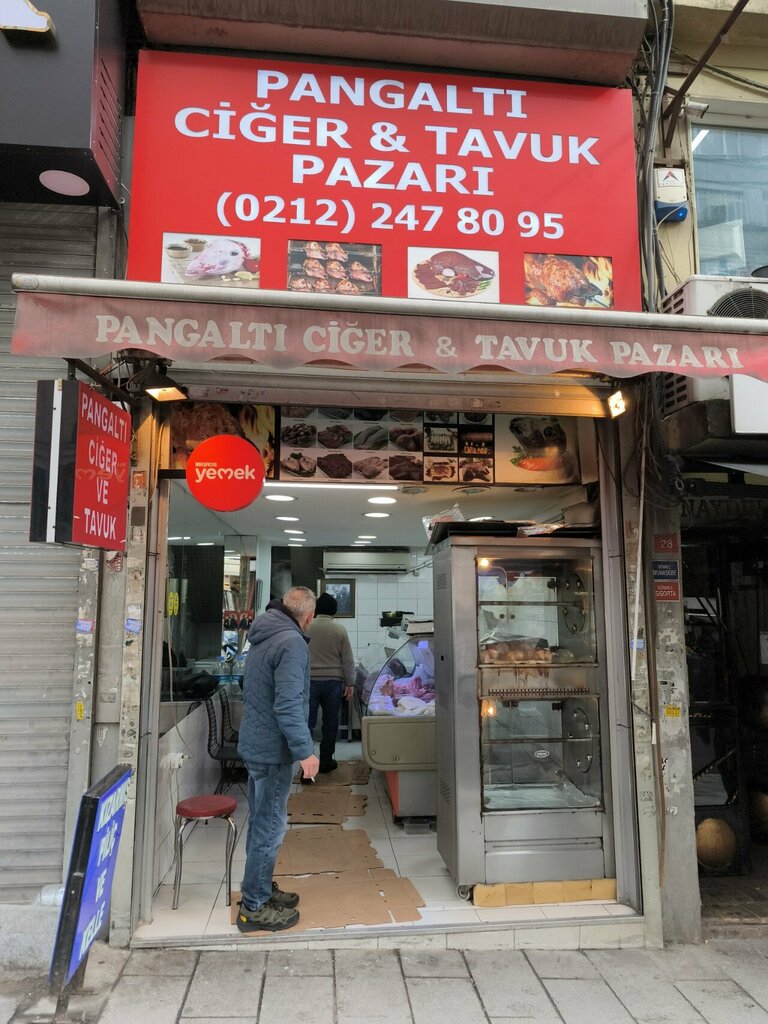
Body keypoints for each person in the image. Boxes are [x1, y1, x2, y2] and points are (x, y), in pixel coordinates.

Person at [236, 586, 319, 932]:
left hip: (257, 744)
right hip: (272, 751)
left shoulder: (264, 634)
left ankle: (259, 887)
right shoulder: (292, 643)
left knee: (260, 823)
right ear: (309, 617)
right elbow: (288, 704)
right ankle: (253, 907)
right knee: (270, 827)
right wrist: (306, 751)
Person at [306, 592, 356, 775]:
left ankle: (307, 768)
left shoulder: (306, 627)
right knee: (330, 723)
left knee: (307, 724)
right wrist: (350, 683)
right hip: (333, 683)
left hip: (310, 682)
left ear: (316, 609)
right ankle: (326, 761)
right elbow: (348, 660)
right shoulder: (339, 630)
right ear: (334, 610)